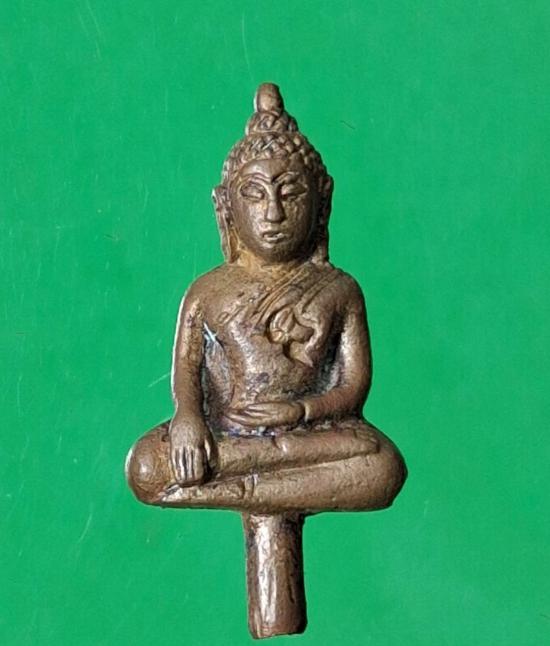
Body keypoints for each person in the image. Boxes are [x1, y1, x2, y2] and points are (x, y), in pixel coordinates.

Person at [126, 83, 406, 514]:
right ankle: (255, 482)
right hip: (228, 434)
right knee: (147, 464)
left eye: (291, 194)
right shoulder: (207, 291)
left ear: (322, 200)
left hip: (306, 434)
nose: (273, 213)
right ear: (225, 205)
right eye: (254, 194)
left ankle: (221, 490)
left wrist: (298, 413)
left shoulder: (340, 289)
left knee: (381, 465)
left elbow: (353, 387)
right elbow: (186, 375)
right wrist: (189, 420)